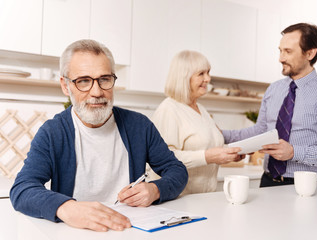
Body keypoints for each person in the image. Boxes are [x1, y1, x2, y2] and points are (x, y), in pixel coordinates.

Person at [10, 39, 188, 232]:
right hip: (76, 233)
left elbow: (177, 170)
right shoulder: (53, 133)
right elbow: (22, 189)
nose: (96, 92)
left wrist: (156, 190)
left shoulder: (140, 126)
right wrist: (66, 207)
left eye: (104, 79)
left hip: (131, 230)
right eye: (84, 81)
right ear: (65, 85)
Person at [223, 23, 317, 187]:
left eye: (288, 51)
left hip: (304, 186)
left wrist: (293, 152)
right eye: (280, 50)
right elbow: (260, 130)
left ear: (310, 53)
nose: (281, 58)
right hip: (267, 181)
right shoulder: (274, 89)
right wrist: (221, 134)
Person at [147, 50, 243, 195]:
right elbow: (162, 159)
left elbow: (209, 148)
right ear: (184, 77)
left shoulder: (202, 110)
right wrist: (208, 156)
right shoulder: (169, 109)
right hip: (180, 200)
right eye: (201, 74)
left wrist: (228, 155)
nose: (208, 79)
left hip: (204, 197)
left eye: (208, 73)